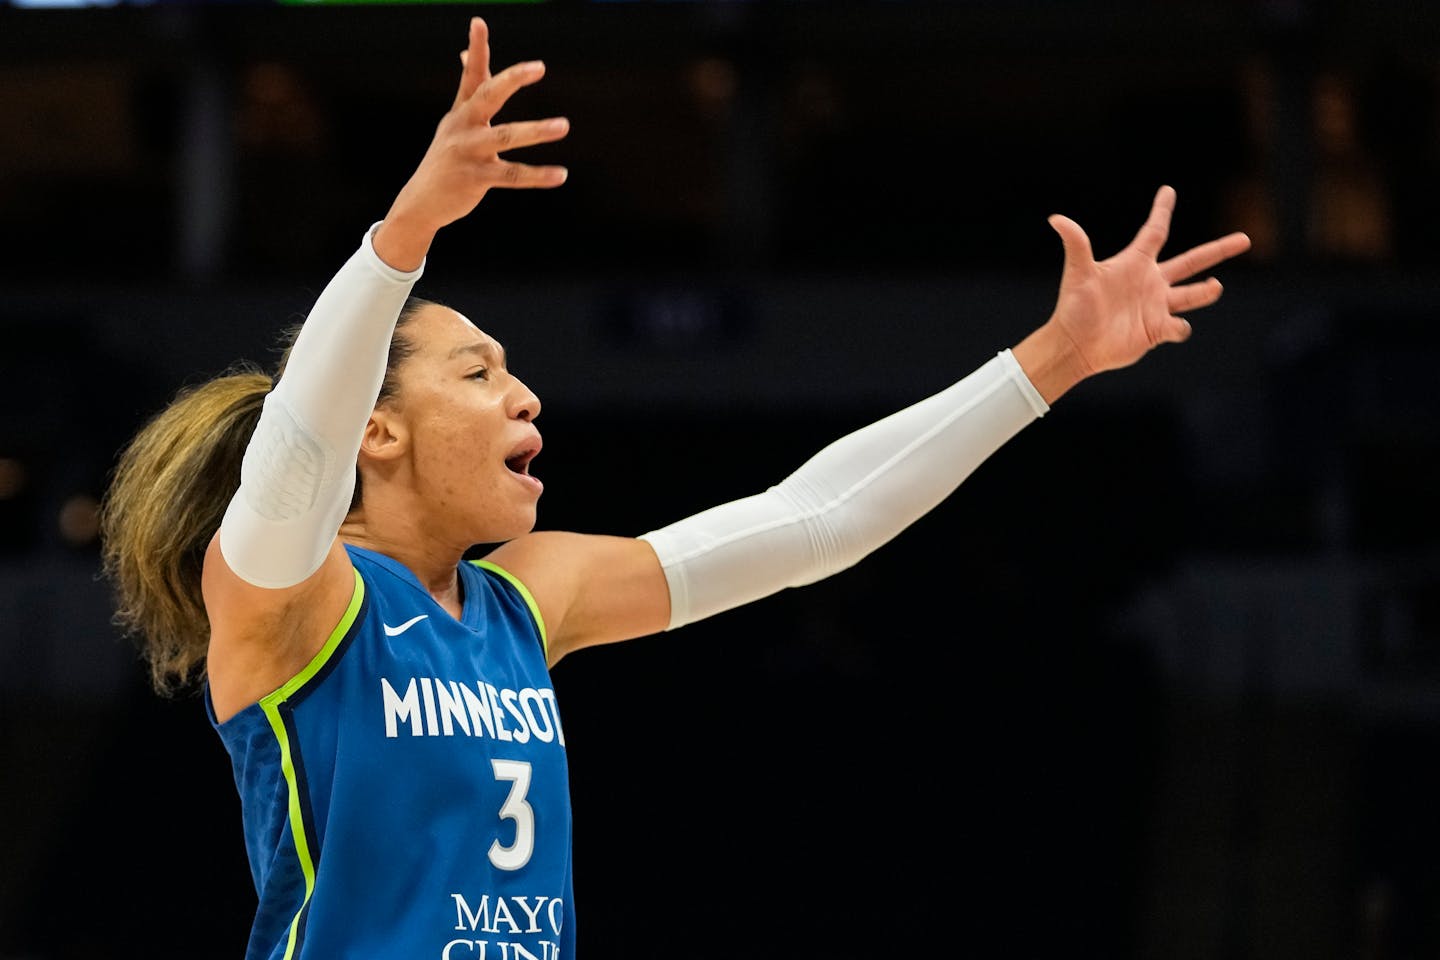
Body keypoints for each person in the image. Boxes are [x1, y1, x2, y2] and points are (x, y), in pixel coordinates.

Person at [98, 17, 1252, 960]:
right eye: (479, 370)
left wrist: (1050, 361)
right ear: (380, 430)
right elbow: (298, 447)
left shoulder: (523, 603)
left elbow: (811, 522)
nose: (525, 397)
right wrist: (408, 230)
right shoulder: (287, 599)